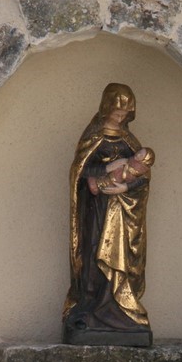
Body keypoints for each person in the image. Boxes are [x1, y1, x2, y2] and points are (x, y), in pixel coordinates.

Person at [63, 83, 154, 346]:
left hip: (124, 215)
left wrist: (126, 185)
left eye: (125, 112)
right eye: (117, 111)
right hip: (96, 213)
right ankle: (92, 309)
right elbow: (79, 175)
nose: (121, 116)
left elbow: (144, 177)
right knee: (94, 257)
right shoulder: (94, 137)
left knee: (122, 259)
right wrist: (106, 168)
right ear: (106, 108)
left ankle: (120, 309)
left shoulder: (130, 141)